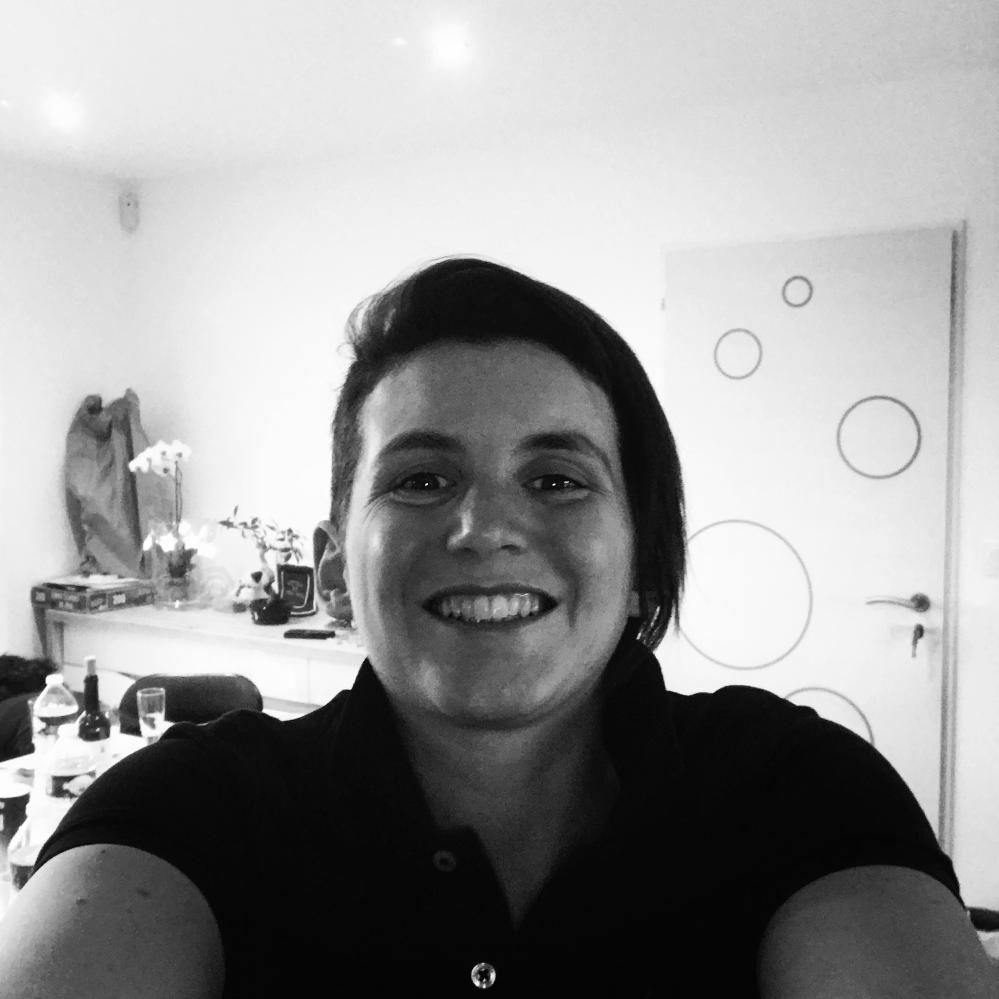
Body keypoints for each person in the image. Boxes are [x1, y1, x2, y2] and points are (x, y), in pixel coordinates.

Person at [0, 258, 993, 998]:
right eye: (421, 478)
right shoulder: (191, 812)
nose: (483, 528)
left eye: (556, 479)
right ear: (334, 564)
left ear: (642, 557)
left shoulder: (796, 792)